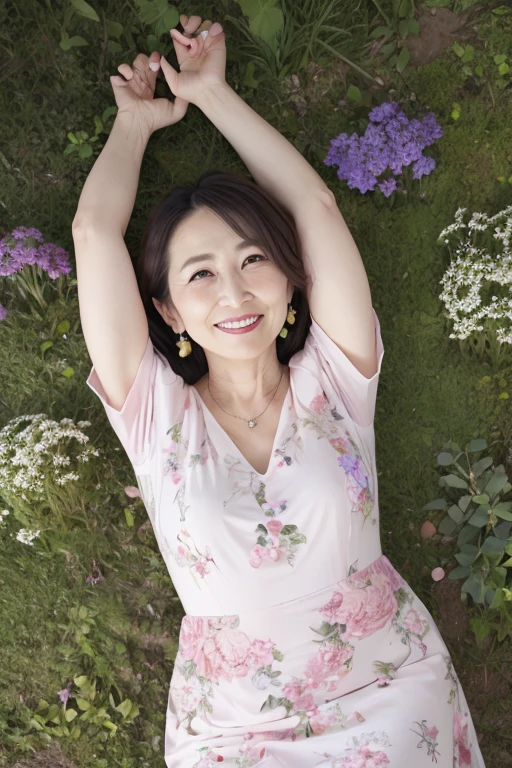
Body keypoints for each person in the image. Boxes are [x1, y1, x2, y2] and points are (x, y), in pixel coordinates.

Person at [72, 13, 486, 768]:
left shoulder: (339, 376)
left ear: (290, 280)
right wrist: (133, 125)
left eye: (253, 258)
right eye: (200, 274)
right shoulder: (153, 411)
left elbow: (315, 207)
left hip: (384, 695)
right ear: (166, 310)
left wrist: (215, 95)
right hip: (233, 730)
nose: (234, 292)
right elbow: (95, 235)